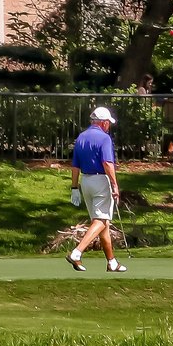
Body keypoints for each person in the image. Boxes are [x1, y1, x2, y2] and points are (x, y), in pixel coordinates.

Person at [67, 106, 125, 273]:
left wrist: (74, 187)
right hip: (101, 181)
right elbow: (107, 164)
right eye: (108, 123)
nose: (109, 126)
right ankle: (77, 253)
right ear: (104, 123)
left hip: (86, 182)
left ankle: (112, 262)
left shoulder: (81, 137)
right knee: (100, 221)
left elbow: (75, 165)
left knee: (102, 223)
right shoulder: (104, 138)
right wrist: (114, 185)